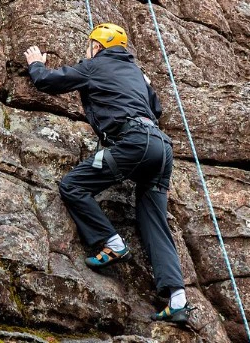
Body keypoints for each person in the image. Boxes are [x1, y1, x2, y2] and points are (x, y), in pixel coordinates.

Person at [24, 23, 195, 324]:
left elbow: (51, 82)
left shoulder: (94, 65)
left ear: (99, 46)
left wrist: (37, 65)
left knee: (73, 185)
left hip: (132, 144)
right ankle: (177, 299)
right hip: (161, 150)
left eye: (89, 46)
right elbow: (157, 109)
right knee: (153, 221)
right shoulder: (136, 74)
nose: (86, 51)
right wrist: (146, 84)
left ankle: (112, 242)